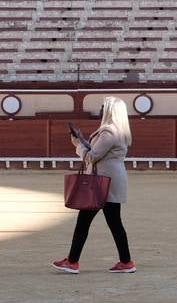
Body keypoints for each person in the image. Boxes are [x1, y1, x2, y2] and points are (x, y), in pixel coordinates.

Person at [52, 96, 135, 274]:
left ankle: (72, 262)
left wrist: (77, 145)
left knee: (84, 222)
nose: (101, 109)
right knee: (114, 223)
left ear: (110, 110)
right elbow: (97, 152)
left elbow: (91, 157)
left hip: (102, 183)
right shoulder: (117, 131)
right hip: (110, 181)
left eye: (103, 106)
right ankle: (126, 262)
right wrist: (83, 141)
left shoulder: (109, 132)